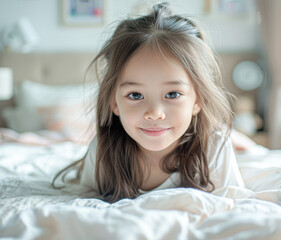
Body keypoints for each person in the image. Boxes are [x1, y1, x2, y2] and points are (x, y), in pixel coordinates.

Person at [53, 2, 244, 203]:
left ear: (198, 100)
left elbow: (235, 204)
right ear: (114, 102)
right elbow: (84, 199)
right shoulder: (103, 150)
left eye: (172, 94)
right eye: (135, 95)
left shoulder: (213, 147)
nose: (154, 113)